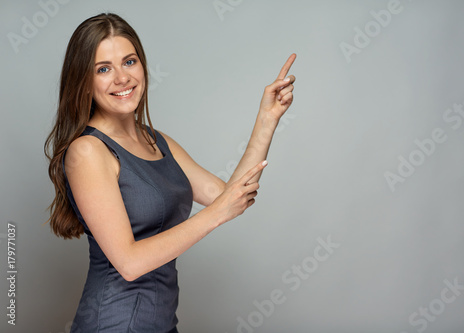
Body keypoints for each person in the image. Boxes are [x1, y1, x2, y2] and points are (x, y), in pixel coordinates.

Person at [44, 12, 296, 332]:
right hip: (115, 325)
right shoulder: (88, 151)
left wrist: (268, 118)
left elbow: (231, 197)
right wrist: (217, 213)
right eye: (104, 69)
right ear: (83, 80)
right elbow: (130, 263)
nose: (122, 78)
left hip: (161, 324)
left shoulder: (156, 140)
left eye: (129, 62)